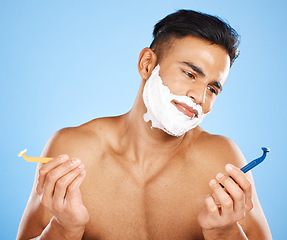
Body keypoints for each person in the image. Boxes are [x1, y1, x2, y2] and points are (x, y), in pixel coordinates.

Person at [17, 9, 272, 240]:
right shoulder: (72, 151)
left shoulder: (222, 162)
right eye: (190, 74)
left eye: (213, 89)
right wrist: (64, 229)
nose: (200, 97)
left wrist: (225, 233)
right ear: (147, 64)